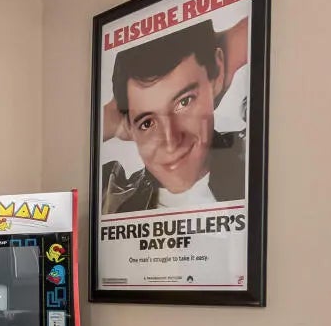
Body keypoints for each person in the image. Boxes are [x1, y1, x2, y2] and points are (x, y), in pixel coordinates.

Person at [100, 19, 246, 213]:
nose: (170, 142)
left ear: (217, 73)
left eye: (184, 102)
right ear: (129, 126)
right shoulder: (112, 198)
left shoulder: (251, 160)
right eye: (147, 123)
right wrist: (113, 115)